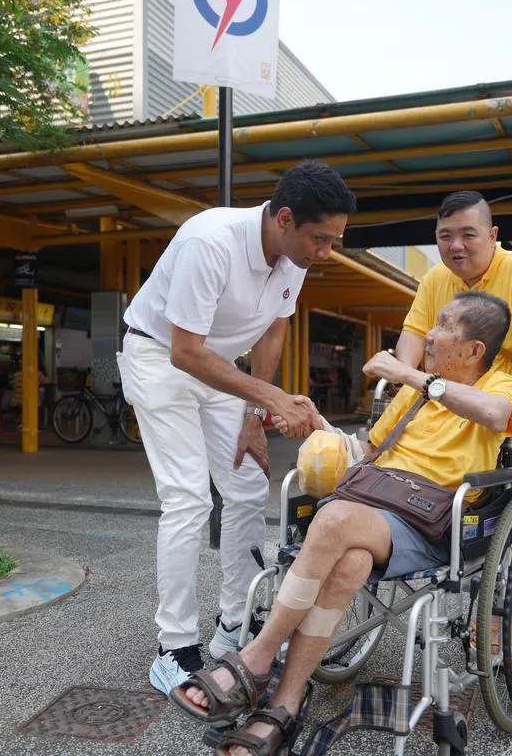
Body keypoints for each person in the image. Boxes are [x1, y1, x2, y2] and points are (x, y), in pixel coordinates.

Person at [171, 292, 512, 756]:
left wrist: (411, 376)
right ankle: (286, 701)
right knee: (350, 565)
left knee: (335, 516)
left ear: (474, 349)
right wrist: (315, 422)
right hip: (376, 509)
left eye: (443, 325)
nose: (429, 334)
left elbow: (496, 415)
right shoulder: (414, 395)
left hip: (433, 522)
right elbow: (367, 453)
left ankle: (256, 657)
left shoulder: (498, 385)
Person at [118, 160, 357, 696]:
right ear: (285, 218)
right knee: (187, 497)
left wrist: (254, 415)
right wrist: (272, 398)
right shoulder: (210, 241)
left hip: (220, 366)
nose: (325, 252)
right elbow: (185, 351)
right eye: (320, 239)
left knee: (247, 485)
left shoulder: (294, 256)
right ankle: (174, 648)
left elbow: (273, 330)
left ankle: (235, 625)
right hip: (160, 358)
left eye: (333, 241)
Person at [394, 191, 512, 491]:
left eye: (468, 235)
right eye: (445, 236)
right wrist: (404, 371)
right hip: (450, 403)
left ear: (492, 235)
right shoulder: (435, 278)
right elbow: (414, 331)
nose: (455, 245)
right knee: (439, 486)